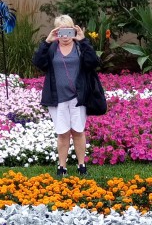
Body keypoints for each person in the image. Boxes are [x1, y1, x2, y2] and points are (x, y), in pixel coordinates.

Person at [33, 14, 101, 178]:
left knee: (78, 131)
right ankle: (62, 166)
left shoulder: (79, 47)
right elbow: (38, 62)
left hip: (78, 98)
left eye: (68, 32)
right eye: (61, 32)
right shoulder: (51, 48)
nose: (65, 37)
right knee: (62, 133)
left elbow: (94, 62)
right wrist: (47, 41)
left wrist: (83, 41)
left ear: (73, 30)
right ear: (57, 32)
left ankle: (81, 164)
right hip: (58, 99)